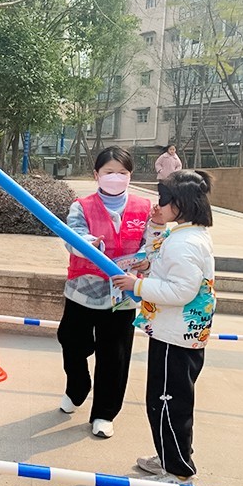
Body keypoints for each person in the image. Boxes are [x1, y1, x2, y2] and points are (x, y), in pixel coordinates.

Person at [112, 170, 215, 486]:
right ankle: (170, 458)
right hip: (176, 334)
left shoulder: (185, 243)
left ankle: (180, 474)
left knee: (169, 403)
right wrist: (148, 265)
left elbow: (181, 290)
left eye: (164, 200)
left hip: (176, 338)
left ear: (180, 204)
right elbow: (167, 266)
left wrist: (137, 285)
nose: (158, 205)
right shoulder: (187, 234)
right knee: (166, 401)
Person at [57, 146, 150, 439]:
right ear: (96, 174)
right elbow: (72, 237)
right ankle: (77, 388)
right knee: (71, 343)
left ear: (130, 175)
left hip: (123, 296)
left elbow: (153, 243)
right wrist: (88, 244)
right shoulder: (81, 206)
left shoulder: (145, 208)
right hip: (83, 291)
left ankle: (104, 413)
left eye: (122, 172)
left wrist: (147, 260)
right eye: (109, 172)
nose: (116, 177)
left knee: (115, 356)